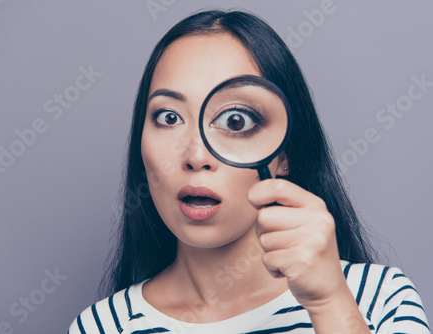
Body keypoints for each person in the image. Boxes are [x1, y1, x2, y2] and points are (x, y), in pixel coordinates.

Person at [68, 9, 429, 334]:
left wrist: (329, 304)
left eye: (235, 120)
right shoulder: (102, 327)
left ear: (283, 153)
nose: (196, 155)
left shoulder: (379, 300)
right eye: (169, 117)